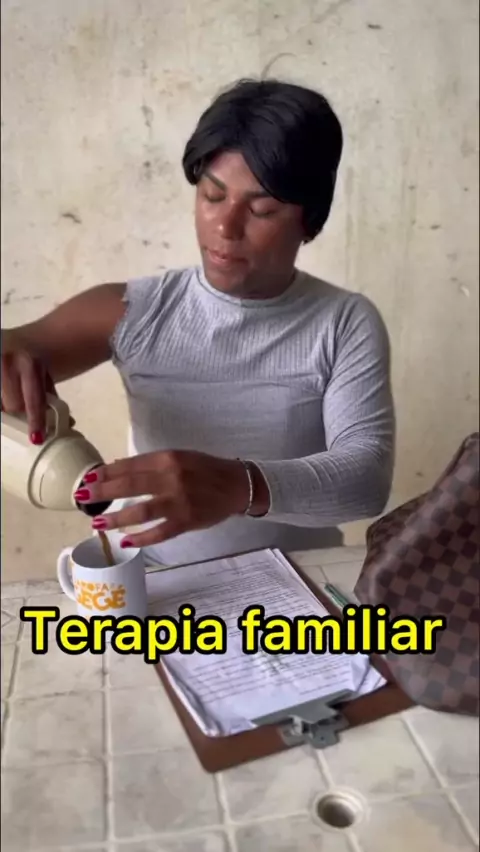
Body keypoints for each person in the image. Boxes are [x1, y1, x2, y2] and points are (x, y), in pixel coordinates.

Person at [1, 78, 394, 567]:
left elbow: (366, 480)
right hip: (160, 581)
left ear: (309, 220)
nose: (225, 227)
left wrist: (237, 486)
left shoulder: (343, 323)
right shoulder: (133, 311)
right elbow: (19, 346)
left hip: (300, 583)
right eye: (212, 195)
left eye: (262, 209)